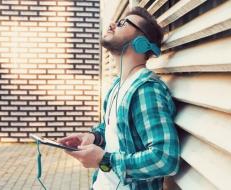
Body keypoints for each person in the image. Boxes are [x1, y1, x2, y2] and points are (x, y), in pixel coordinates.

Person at [58, 6, 180, 190]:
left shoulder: (146, 91)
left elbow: (165, 159)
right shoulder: (117, 86)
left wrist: (103, 159)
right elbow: (115, 133)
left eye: (123, 23)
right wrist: (94, 137)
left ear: (140, 43)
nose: (113, 24)